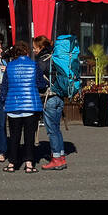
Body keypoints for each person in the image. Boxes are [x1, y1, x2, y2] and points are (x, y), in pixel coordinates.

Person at [0, 41, 47, 174]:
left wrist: (4, 101)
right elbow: (41, 84)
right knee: (29, 137)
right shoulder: (34, 65)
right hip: (31, 106)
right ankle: (29, 164)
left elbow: (4, 87)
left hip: (13, 106)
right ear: (27, 52)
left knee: (14, 136)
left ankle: (12, 163)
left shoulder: (9, 67)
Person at [33, 36, 68, 170]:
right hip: (60, 97)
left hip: (50, 98)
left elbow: (38, 81)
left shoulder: (42, 61)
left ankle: (56, 160)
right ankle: (61, 156)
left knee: (51, 130)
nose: (34, 50)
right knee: (57, 129)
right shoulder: (56, 58)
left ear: (41, 47)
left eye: (35, 47)